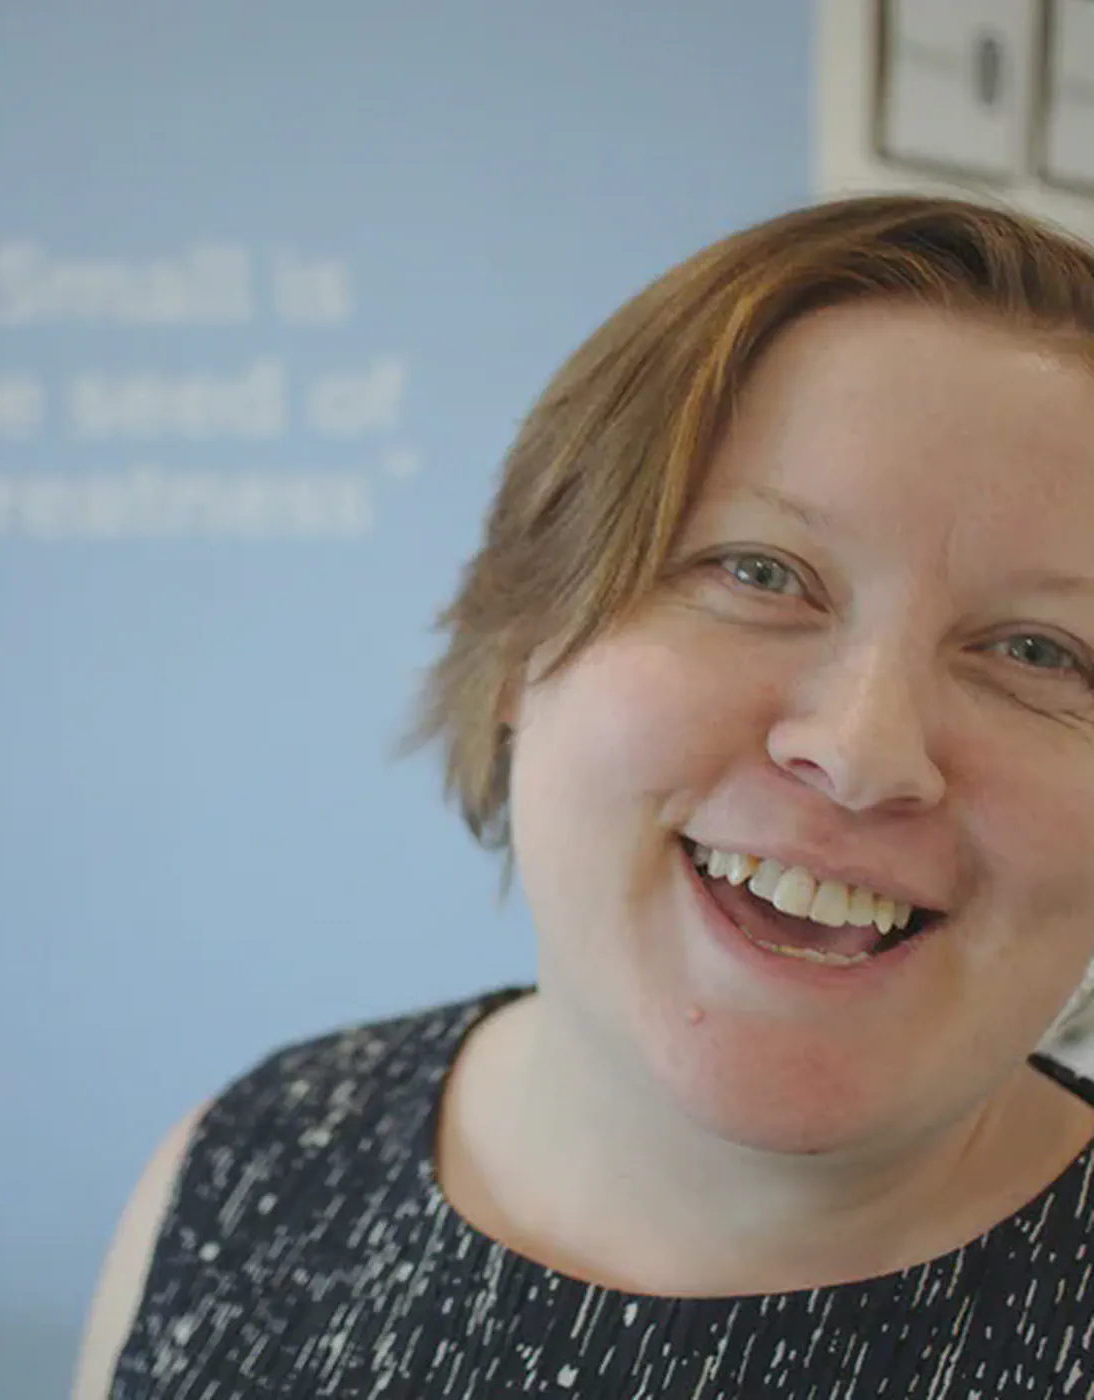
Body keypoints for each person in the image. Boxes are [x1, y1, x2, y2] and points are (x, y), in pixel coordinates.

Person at [73, 194, 1094, 1398]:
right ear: (520, 636)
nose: (867, 751)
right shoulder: (241, 1174)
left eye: (1040, 651)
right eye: (759, 571)